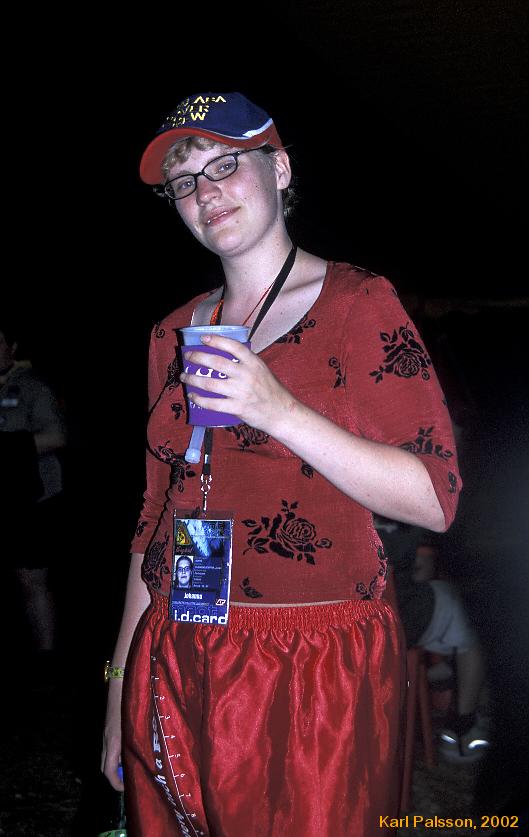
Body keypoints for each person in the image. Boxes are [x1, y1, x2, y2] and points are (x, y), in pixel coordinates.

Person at [101, 91, 461, 836]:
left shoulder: (358, 301)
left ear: (281, 168)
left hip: (312, 656)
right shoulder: (171, 332)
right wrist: (117, 692)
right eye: (184, 182)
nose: (205, 193)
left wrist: (278, 410)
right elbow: (153, 519)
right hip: (178, 641)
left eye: (224, 165)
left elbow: (434, 498)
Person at [377, 521, 489, 762]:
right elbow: (423, 571)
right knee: (470, 609)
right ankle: (463, 728)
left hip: (333, 627)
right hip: (394, 624)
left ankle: (439, 674)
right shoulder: (406, 508)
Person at [0, 320, 66, 665]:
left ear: (11, 347)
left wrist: (10, 448)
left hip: (32, 498)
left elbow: (57, 436)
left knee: (32, 580)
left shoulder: (32, 386)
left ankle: (46, 658)